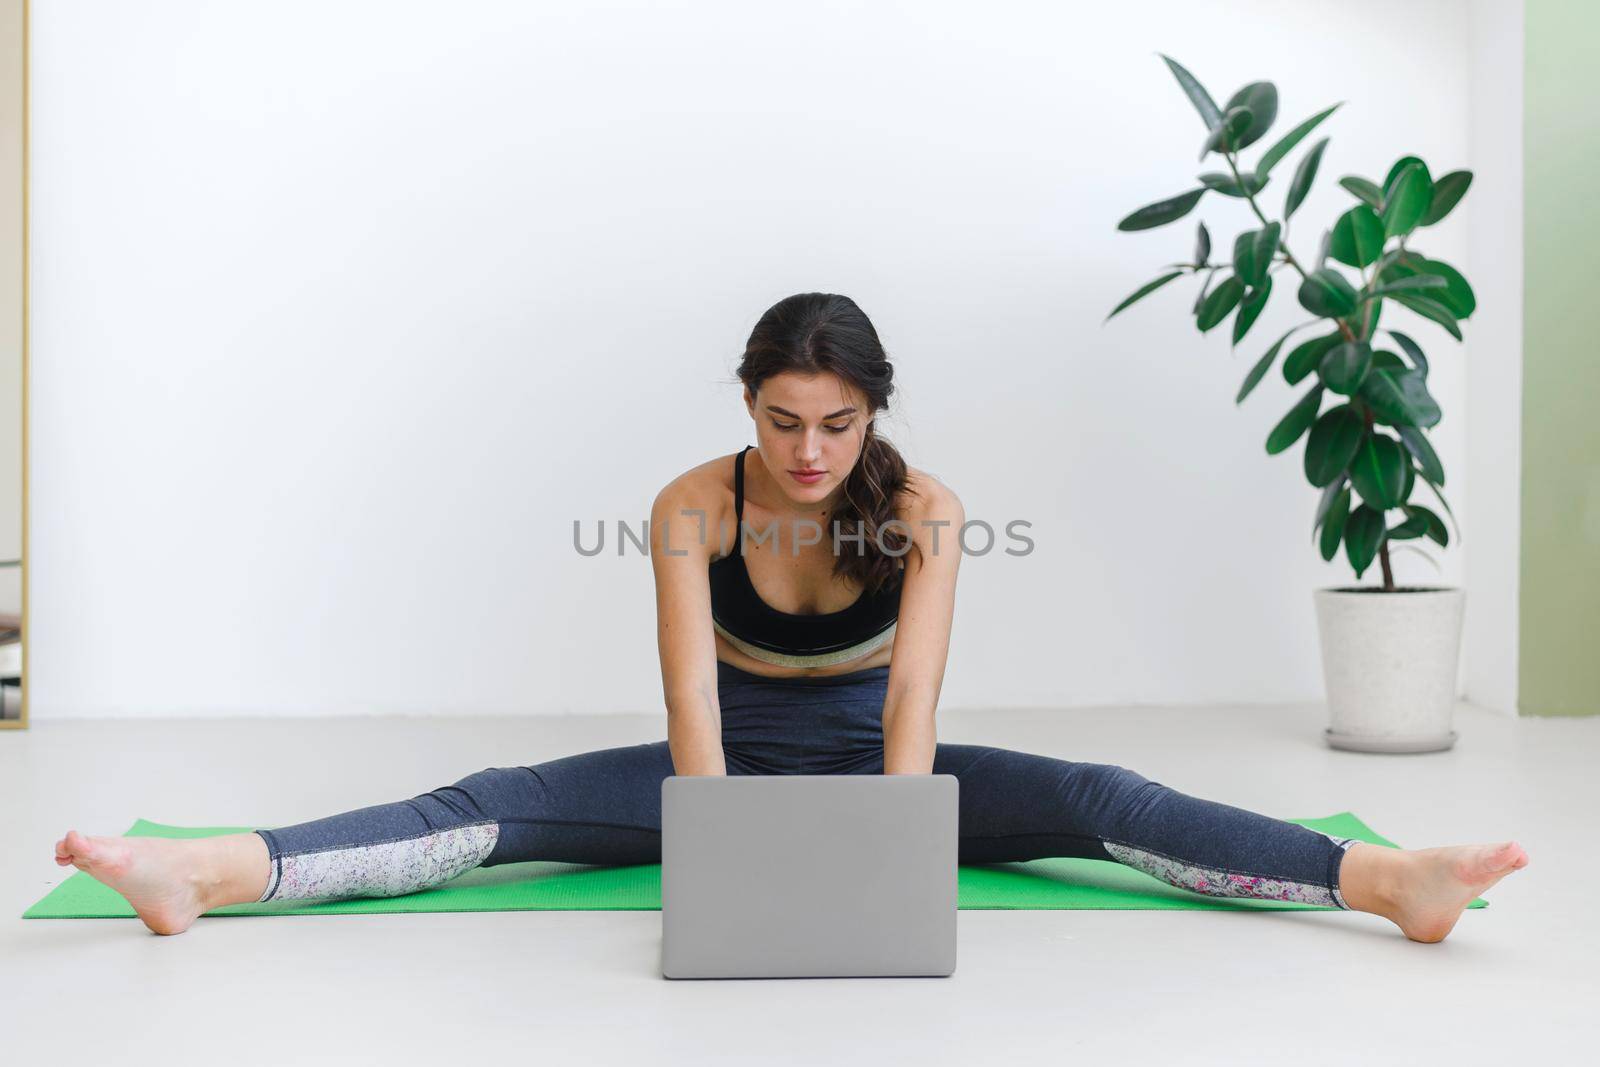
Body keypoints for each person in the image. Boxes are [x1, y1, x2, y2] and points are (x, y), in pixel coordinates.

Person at [54, 292, 1527, 941]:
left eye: (834, 421)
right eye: (779, 419)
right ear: (745, 405)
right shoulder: (692, 502)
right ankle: (212, 873)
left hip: (880, 764)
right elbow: (696, 716)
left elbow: (913, 716)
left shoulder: (927, 508)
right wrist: (728, 856)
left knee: (1097, 797)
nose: (807, 450)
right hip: (731, 761)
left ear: (872, 408)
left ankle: (1383, 885)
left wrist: (885, 864)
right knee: (490, 805)